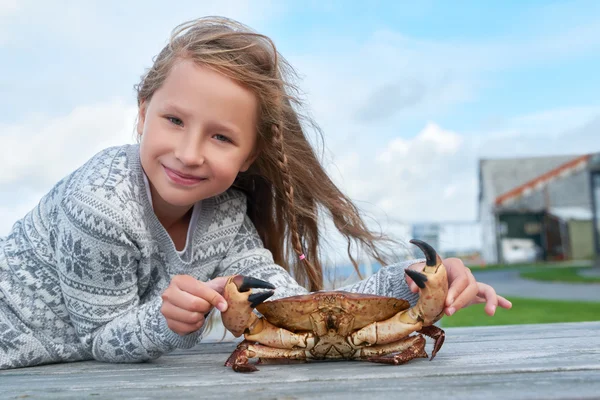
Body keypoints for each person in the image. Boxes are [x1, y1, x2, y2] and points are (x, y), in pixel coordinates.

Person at [0, 16, 511, 370]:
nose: (190, 152)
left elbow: (289, 305)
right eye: (174, 120)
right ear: (142, 111)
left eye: (221, 136)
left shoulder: (224, 214)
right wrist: (164, 320)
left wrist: (420, 283)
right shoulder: (102, 205)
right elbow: (99, 338)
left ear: (248, 156)